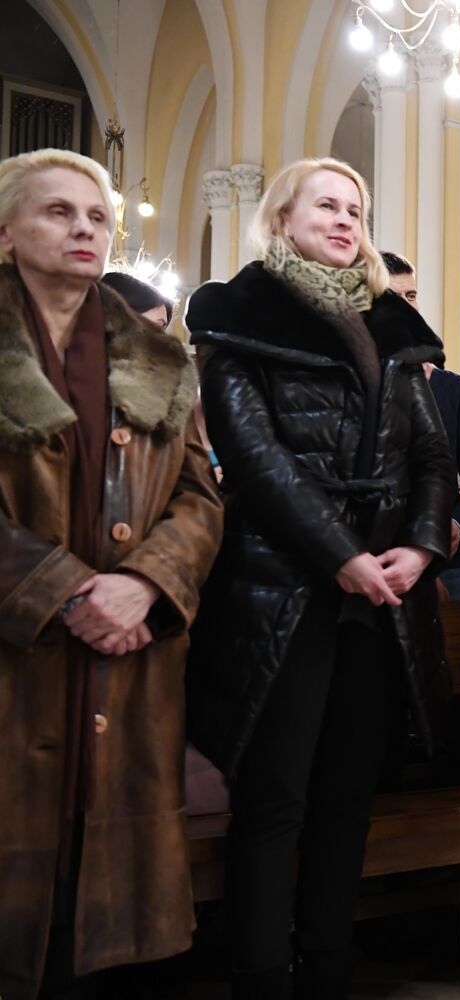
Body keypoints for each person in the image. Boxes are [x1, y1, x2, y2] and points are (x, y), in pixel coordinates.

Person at [184, 157, 454, 998]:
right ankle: (264, 971)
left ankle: (329, 965)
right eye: (327, 205)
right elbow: (254, 457)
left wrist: (418, 546)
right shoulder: (237, 314)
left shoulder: (389, 325)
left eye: (356, 209)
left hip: (384, 595)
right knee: (276, 797)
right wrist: (340, 555)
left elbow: (434, 458)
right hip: (283, 587)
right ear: (283, 217)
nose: (345, 220)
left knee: (348, 794)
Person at [0, 148, 223, 999]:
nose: (84, 228)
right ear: (7, 230)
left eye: (96, 216)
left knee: (104, 926)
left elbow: (202, 499)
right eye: (58, 212)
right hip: (20, 656)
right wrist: (58, 588)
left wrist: (148, 584)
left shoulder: (162, 361)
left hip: (128, 665)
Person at [381, 251, 460, 600]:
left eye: (411, 296)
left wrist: (457, 524)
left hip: (456, 561)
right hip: (386, 561)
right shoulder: (360, 386)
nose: (406, 307)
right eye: (393, 297)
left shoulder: (452, 387)